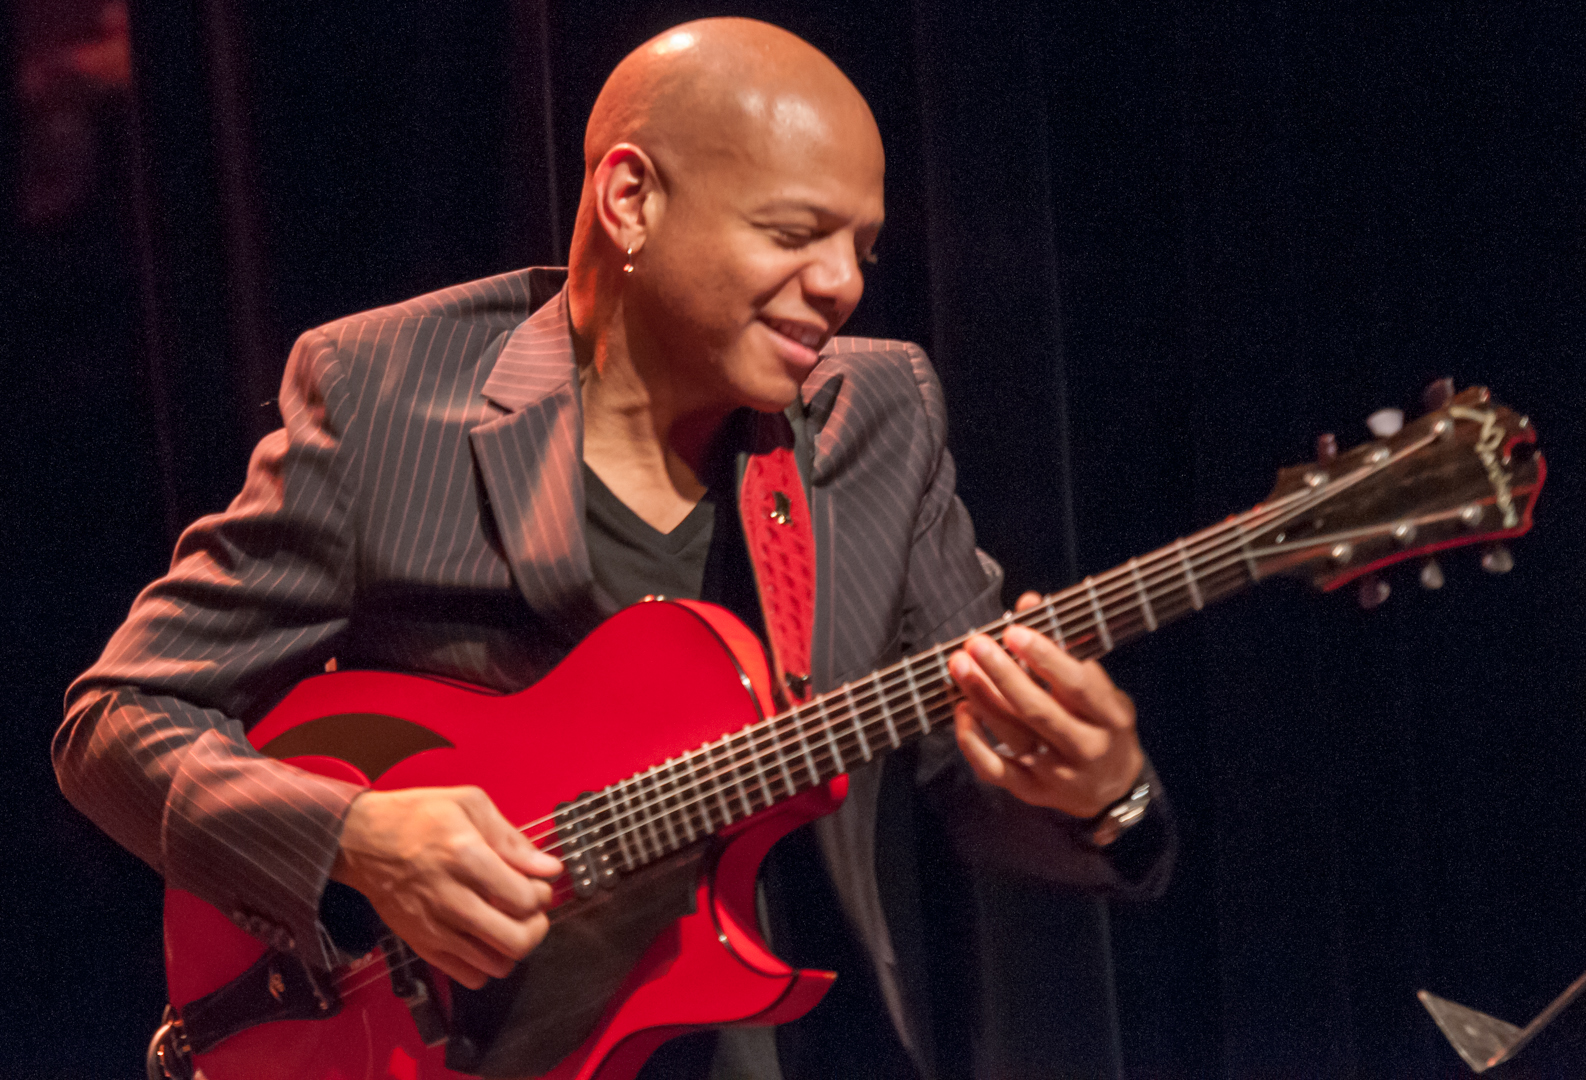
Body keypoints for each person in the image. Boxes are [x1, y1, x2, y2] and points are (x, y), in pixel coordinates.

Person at [56, 17, 1171, 1079]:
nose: (841, 283)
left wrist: (1098, 797)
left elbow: (959, 762)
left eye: (860, 247)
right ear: (630, 197)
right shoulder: (387, 396)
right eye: (793, 234)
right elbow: (115, 723)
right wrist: (355, 838)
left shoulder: (876, 415)